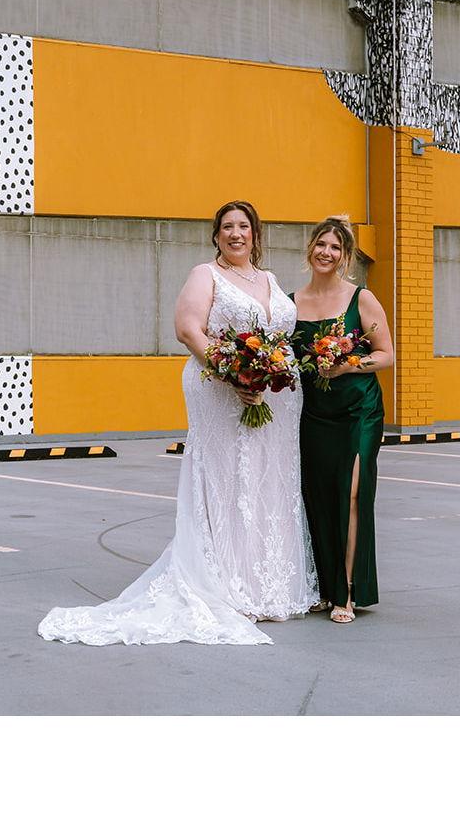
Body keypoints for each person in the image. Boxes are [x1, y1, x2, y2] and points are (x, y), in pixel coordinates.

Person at [38, 200, 319, 646]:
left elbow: (279, 334)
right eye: (227, 227)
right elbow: (188, 330)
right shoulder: (205, 275)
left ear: (255, 234)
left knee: (268, 481)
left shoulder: (269, 279)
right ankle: (226, 585)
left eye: (244, 226)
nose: (236, 234)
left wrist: (269, 374)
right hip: (220, 391)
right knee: (227, 479)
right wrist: (235, 376)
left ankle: (269, 586)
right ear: (216, 235)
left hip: (277, 399)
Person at [291, 216, 393, 625]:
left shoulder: (361, 299)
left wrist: (348, 365)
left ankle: (348, 591)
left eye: (335, 247)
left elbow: (386, 354)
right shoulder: (291, 302)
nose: (326, 252)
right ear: (310, 248)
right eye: (321, 244)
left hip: (358, 410)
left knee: (352, 492)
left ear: (345, 256)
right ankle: (323, 586)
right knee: (317, 495)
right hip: (313, 412)